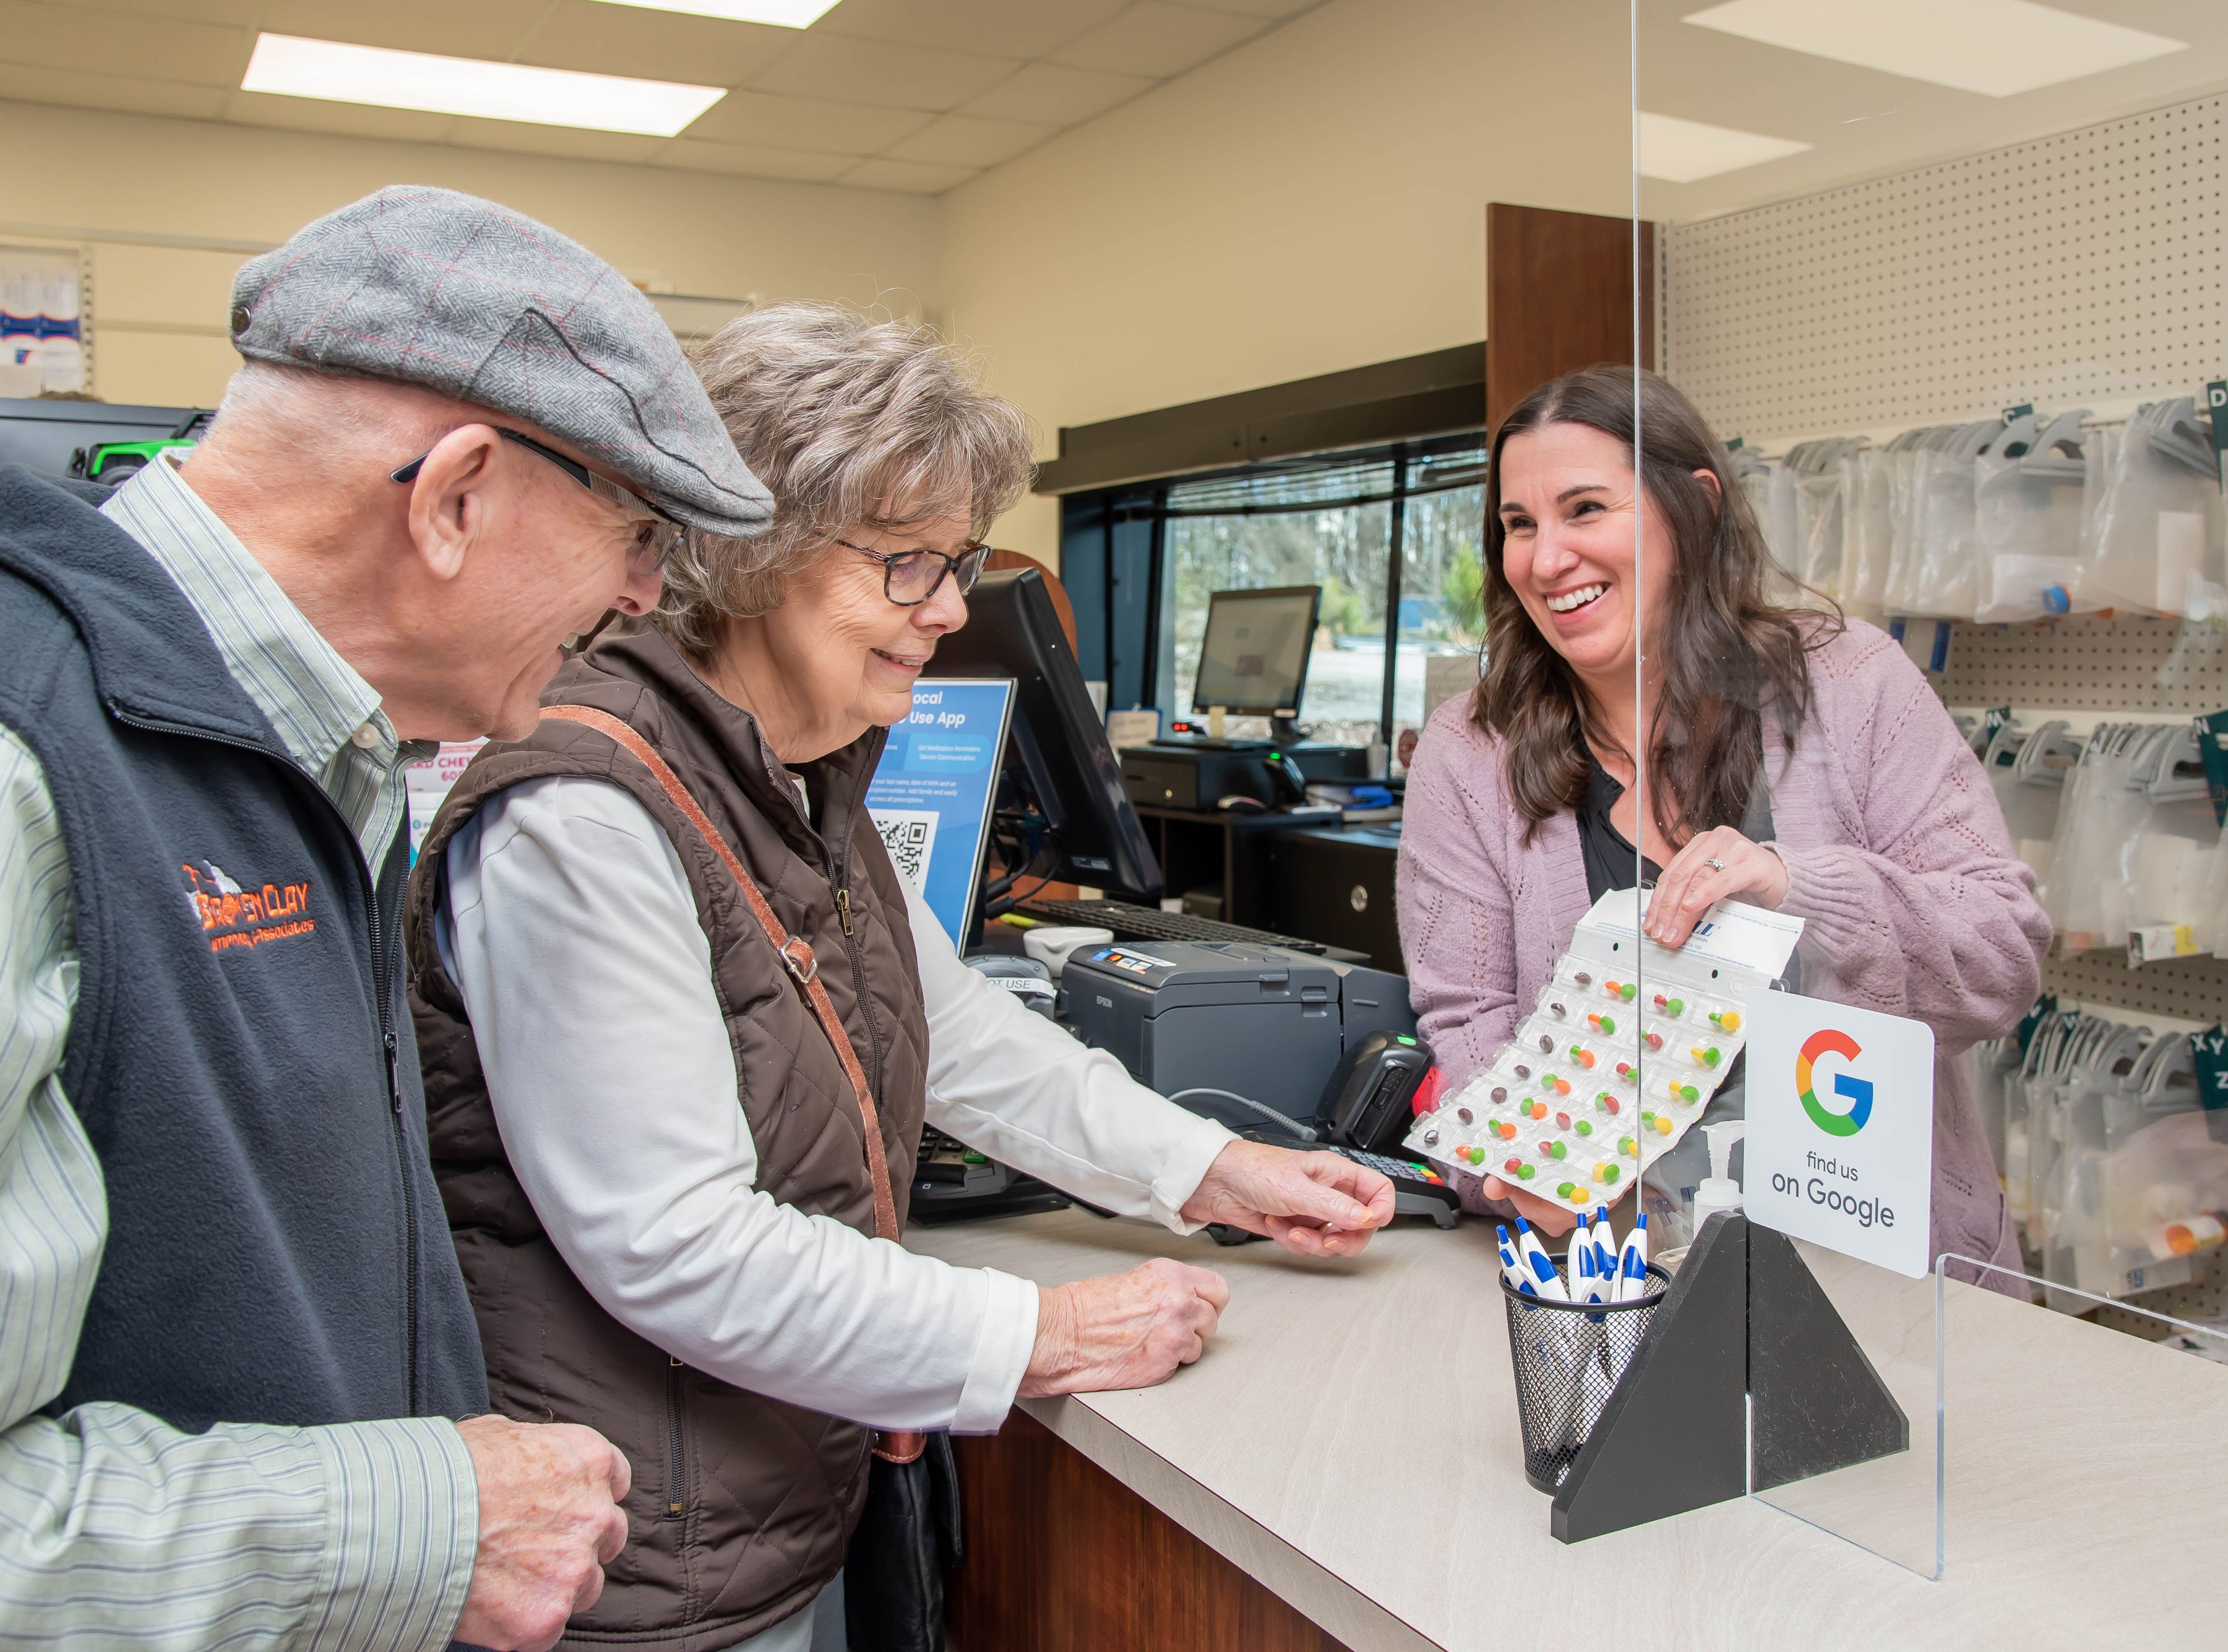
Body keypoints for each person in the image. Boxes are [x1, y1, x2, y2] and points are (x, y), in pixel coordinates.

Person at [406, 301, 1396, 1651]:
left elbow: (950, 1023)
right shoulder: (587, 817)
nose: (944, 614)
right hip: (637, 1554)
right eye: (904, 567)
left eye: (957, 563)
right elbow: (677, 1246)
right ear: (747, 551)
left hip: (769, 1494)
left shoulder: (794, 775)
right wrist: (1037, 1331)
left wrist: (1212, 1170)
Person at [0, 185, 777, 1647]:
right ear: (456, 494)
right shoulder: (28, 765)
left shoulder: (317, 757)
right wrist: (420, 1525)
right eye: (633, 535)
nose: (638, 598)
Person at [1396, 365, 2049, 1273]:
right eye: (1519, 525)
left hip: (1885, 1290)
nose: (1546, 559)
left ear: (1694, 510)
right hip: (1617, 1295)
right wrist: (1526, 1164)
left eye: (1585, 508)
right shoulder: (1470, 754)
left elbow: (2003, 957)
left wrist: (1799, 889)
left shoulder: (1854, 684)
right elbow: (1470, 1028)